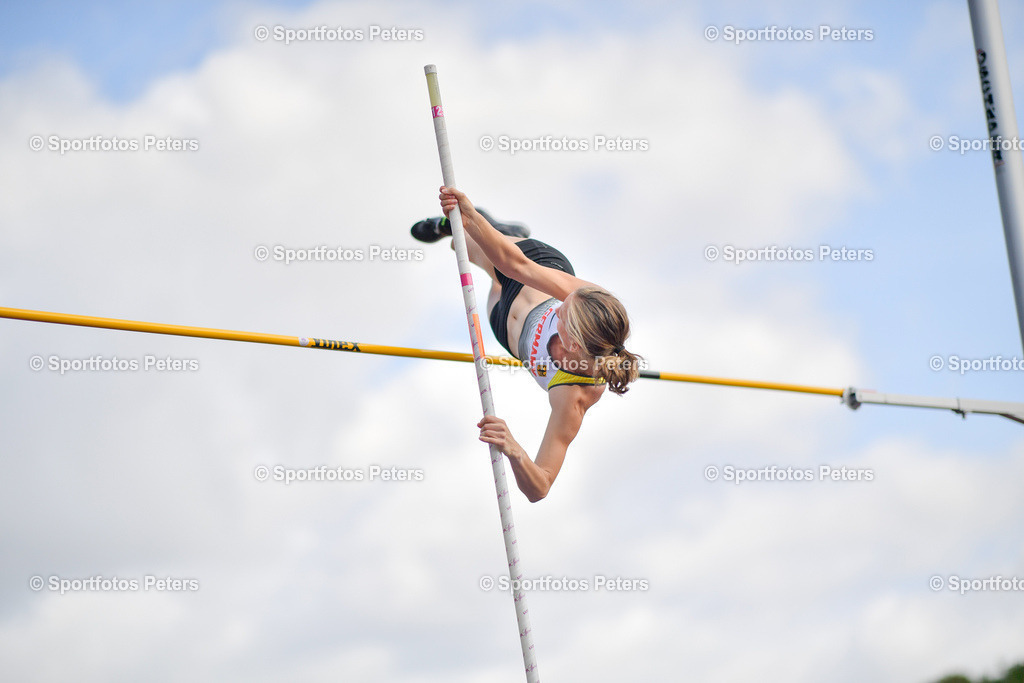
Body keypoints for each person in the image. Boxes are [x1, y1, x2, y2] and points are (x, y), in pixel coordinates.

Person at [411, 187, 641, 501]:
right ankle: (472, 229)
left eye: (561, 314)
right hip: (531, 270)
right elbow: (518, 267)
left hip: (505, 324)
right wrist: (469, 214)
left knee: (469, 245)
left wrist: (514, 449)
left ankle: (504, 232)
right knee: (463, 239)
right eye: (565, 302)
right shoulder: (593, 298)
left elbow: (540, 487)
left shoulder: (573, 396)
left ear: (573, 344)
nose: (558, 305)